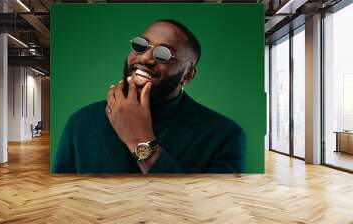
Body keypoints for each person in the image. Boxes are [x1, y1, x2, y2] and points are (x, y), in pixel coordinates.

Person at [53, 19, 246, 174]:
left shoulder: (225, 136)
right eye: (140, 45)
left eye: (163, 54)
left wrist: (140, 141)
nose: (145, 58)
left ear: (188, 74)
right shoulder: (81, 122)